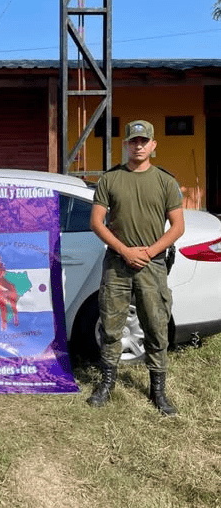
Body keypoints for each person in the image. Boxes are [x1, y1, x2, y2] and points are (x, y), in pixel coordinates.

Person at [87, 120, 184, 416]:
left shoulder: (165, 182)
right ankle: (106, 384)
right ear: (126, 145)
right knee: (111, 325)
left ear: (153, 145)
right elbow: (96, 222)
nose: (138, 146)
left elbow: (177, 226)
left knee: (156, 326)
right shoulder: (110, 179)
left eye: (144, 141)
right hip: (118, 263)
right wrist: (125, 250)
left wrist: (149, 252)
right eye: (133, 141)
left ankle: (158, 390)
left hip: (152, 265)